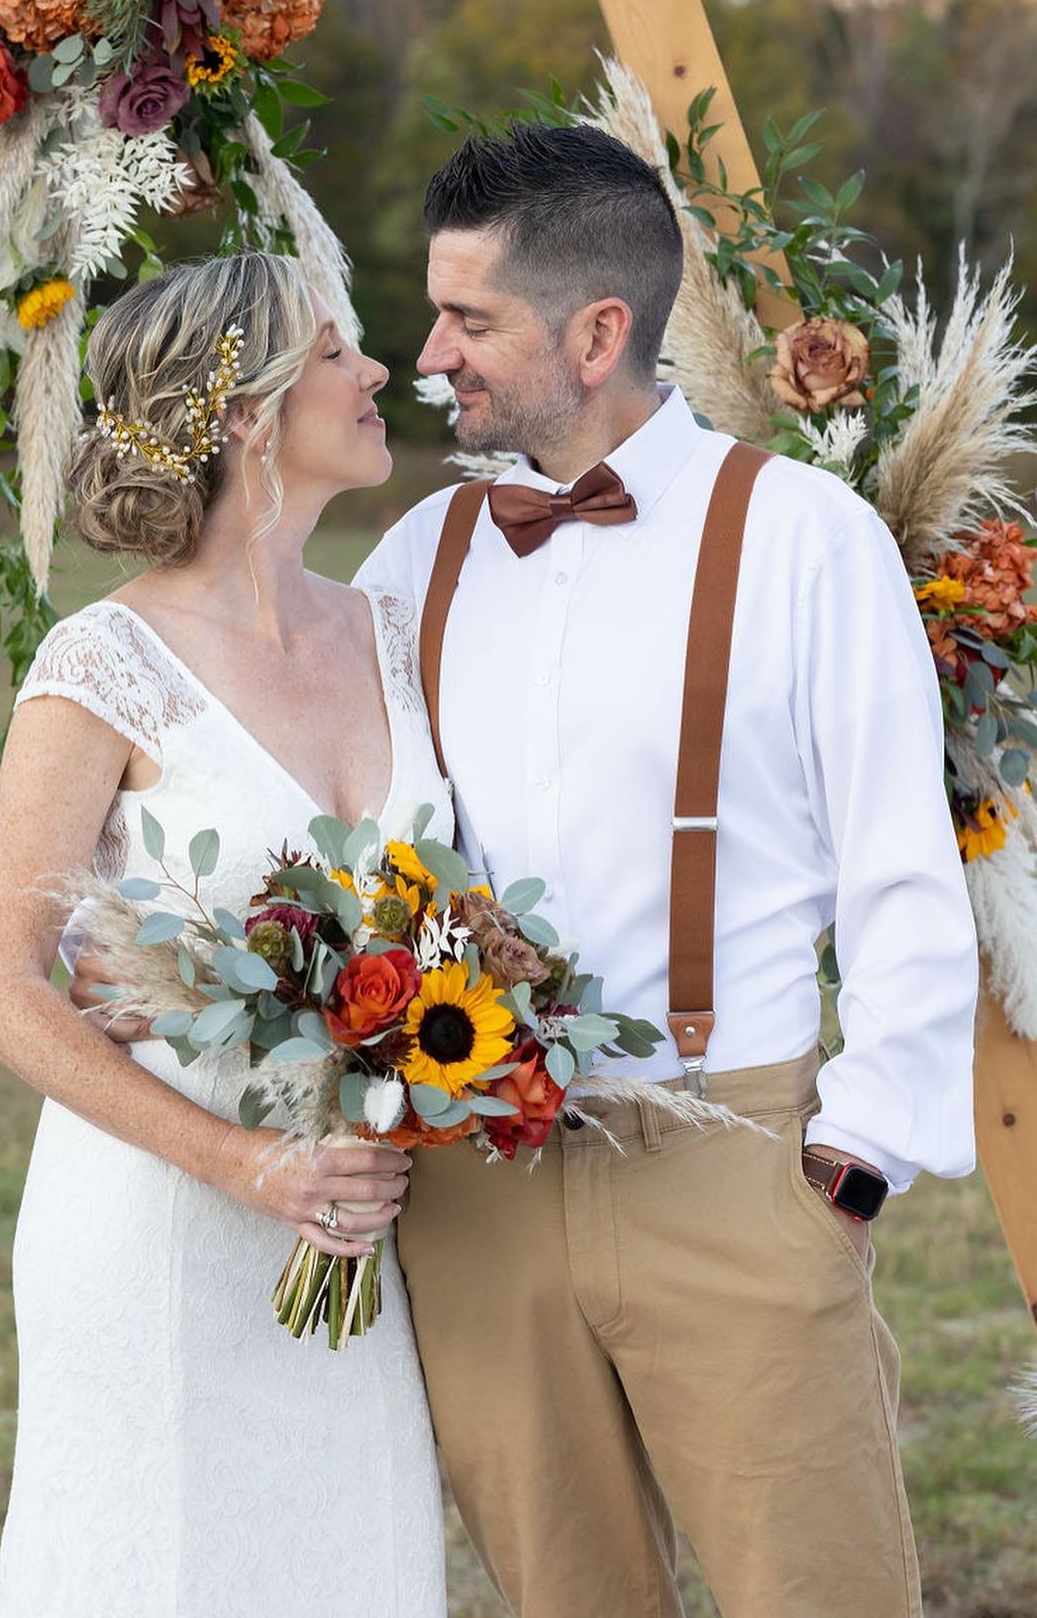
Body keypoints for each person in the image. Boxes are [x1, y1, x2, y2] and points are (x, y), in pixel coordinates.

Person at [350, 120, 980, 1616]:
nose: (432, 352)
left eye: (470, 319)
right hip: (479, 1187)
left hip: (733, 1166)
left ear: (598, 332)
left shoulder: (807, 540)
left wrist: (848, 1169)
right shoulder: (416, 556)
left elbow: (903, 873)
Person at [0, 250, 449, 1616]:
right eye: (338, 351)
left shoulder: (396, 638)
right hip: (162, 1228)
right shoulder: (103, 664)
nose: (378, 371)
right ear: (245, 413)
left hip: (356, 1223)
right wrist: (242, 1165)